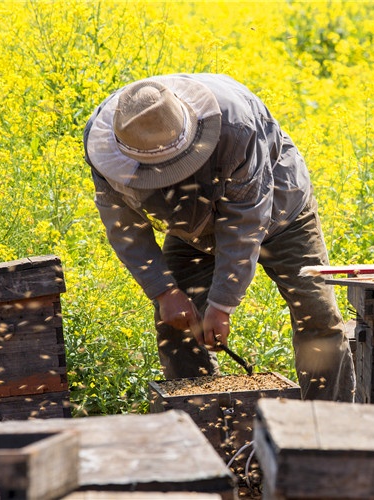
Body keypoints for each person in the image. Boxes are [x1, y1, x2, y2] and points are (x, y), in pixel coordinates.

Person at [83, 73, 355, 401]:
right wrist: (165, 292)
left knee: (317, 314)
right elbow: (124, 227)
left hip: (281, 212)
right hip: (190, 228)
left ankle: (329, 419)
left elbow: (244, 223)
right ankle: (200, 414)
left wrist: (222, 304)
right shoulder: (106, 140)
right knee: (176, 323)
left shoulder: (236, 127)